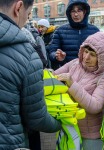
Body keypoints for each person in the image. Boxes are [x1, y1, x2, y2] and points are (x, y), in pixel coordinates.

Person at [0, 0, 61, 149]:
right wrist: (60, 123)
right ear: (19, 7)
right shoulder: (27, 55)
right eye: (28, 15)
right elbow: (36, 118)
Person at [54, 32, 104, 150]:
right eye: (86, 52)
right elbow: (54, 76)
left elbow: (95, 106)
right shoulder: (74, 64)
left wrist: (72, 84)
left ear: (101, 58)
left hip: (89, 135)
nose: (86, 57)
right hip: (68, 127)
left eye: (92, 54)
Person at [48, 0, 99, 70]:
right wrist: (56, 56)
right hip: (67, 73)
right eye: (73, 11)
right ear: (69, 13)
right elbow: (52, 52)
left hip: (89, 75)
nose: (76, 14)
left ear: (85, 12)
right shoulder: (59, 31)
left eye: (79, 11)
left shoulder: (95, 31)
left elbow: (101, 53)